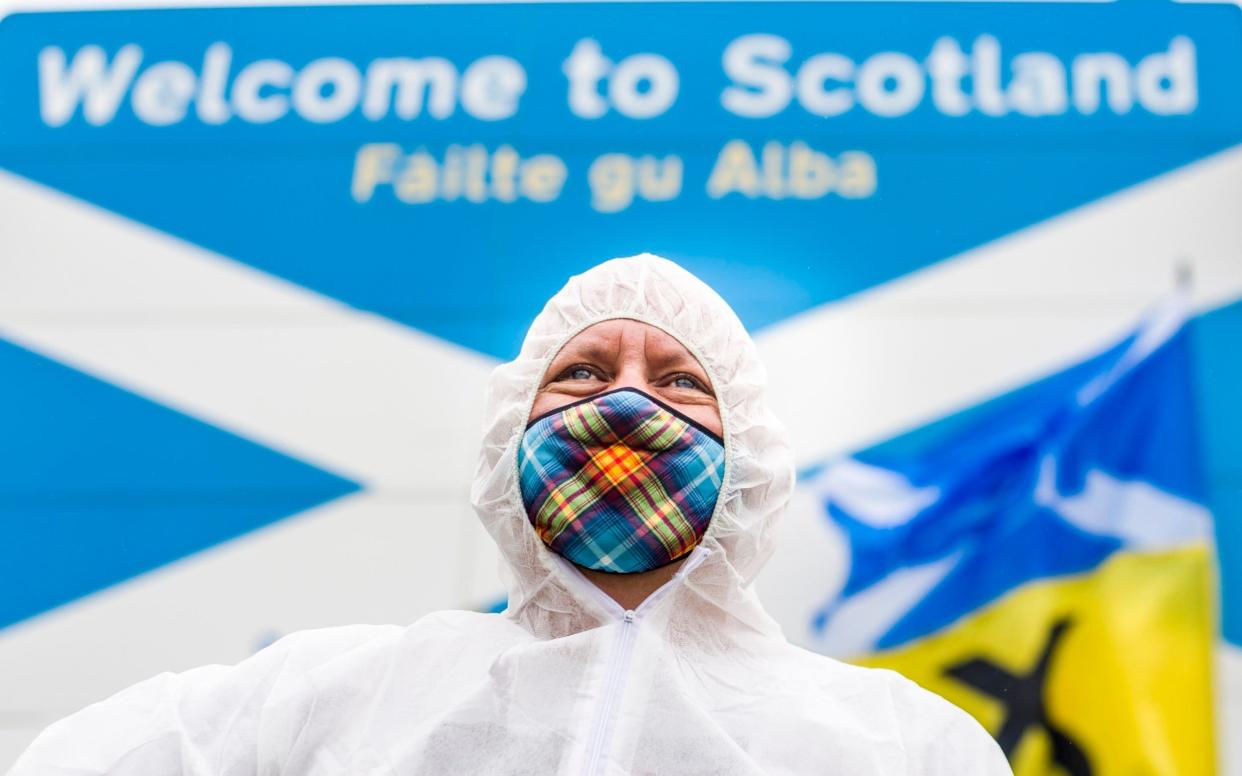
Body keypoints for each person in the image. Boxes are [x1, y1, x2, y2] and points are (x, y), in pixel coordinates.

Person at [11, 254, 1012, 775]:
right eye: (581, 372)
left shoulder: (901, 744)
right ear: (506, 441)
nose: (627, 402)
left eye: (677, 378)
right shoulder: (334, 693)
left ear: (749, 447)